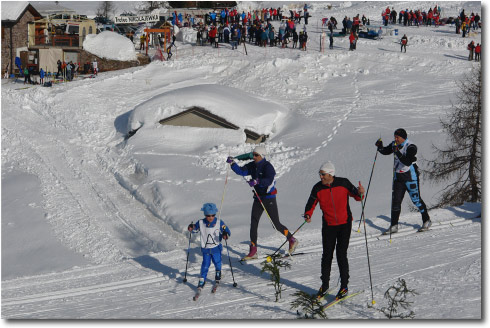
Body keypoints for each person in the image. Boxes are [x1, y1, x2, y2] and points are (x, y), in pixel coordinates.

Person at [303, 161, 365, 300]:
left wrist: (361, 193)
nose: (321, 177)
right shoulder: (317, 188)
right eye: (320, 174)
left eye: (323, 174)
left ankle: (344, 286)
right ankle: (324, 286)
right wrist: (308, 213)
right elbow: (311, 202)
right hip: (328, 225)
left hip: (344, 224)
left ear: (330, 174)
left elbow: (357, 196)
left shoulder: (343, 183)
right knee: (327, 256)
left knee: (341, 254)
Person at [227, 146, 299, 260]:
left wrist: (257, 181)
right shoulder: (252, 165)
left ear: (262, 156)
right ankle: (253, 250)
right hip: (257, 197)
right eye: (253, 155)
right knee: (254, 223)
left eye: (256, 155)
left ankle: (291, 239)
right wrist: (232, 164)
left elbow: (269, 180)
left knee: (276, 224)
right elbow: (241, 171)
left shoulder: (268, 167)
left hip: (268, 198)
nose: (254, 157)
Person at [375, 128, 431, 235]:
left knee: (416, 200)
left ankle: (426, 220)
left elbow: (407, 162)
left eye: (398, 137)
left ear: (403, 138)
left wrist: (397, 151)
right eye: (395, 137)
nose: (395, 139)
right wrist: (380, 147)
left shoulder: (411, 146)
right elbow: (386, 151)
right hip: (398, 178)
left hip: (410, 177)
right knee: (396, 202)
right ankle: (394, 225)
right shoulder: (394, 144)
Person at [188, 203, 231, 289]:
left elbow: (227, 232)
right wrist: (191, 228)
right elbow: (195, 229)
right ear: (205, 214)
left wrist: (225, 235)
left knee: (217, 262)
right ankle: (202, 279)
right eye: (208, 215)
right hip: (206, 249)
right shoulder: (201, 222)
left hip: (216, 248)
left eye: (212, 215)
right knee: (205, 265)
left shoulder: (219, 222)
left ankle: (218, 273)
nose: (210, 217)